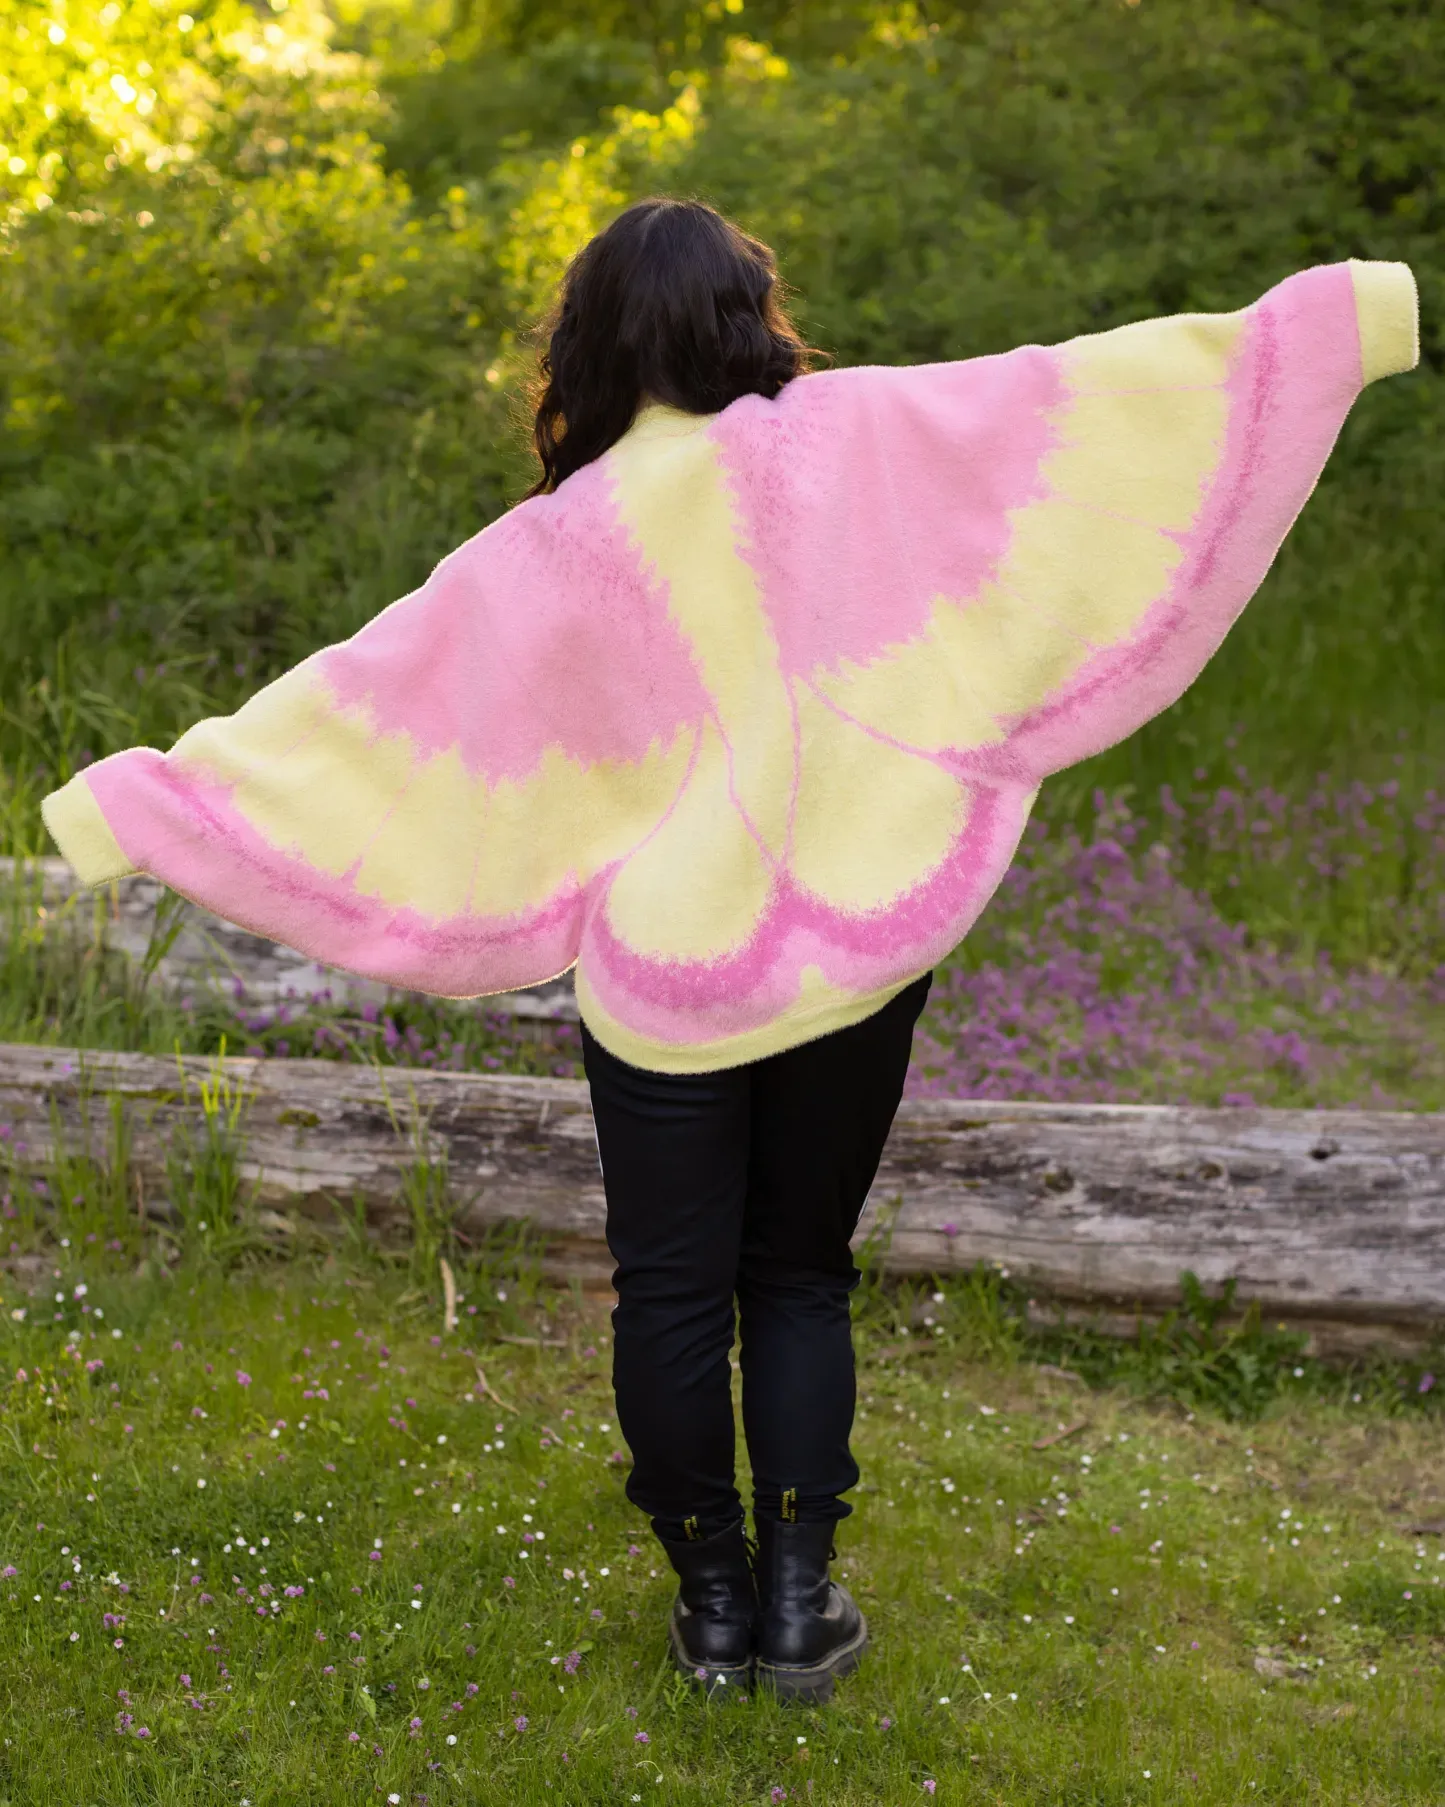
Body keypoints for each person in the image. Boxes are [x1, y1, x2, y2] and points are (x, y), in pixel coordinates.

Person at [41, 199, 1416, 1703]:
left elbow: (360, 708)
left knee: (671, 1291)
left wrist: (142, 802)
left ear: (593, 342)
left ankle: (713, 1606)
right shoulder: (852, 436)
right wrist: (1338, 321)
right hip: (864, 932)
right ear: (743, 315)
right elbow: (1082, 402)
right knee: (803, 1275)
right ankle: (802, 1598)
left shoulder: (546, 548)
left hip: (669, 982)